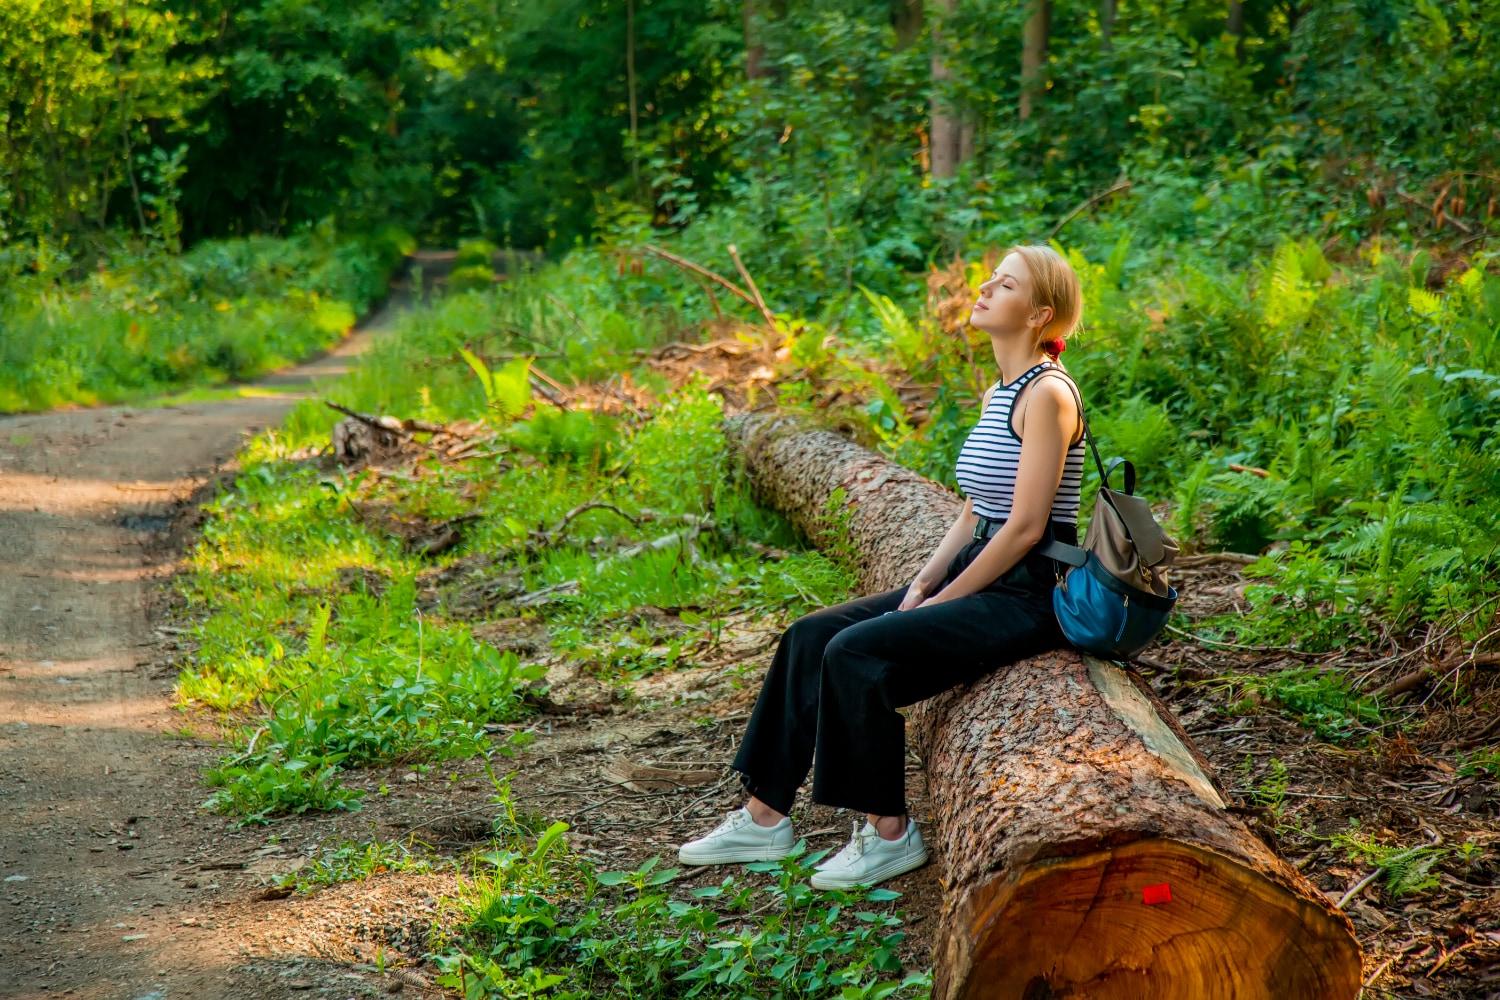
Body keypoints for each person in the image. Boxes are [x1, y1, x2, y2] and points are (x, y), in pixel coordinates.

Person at [677, 243, 1087, 890]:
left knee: (855, 655)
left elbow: (1027, 528)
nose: (982, 288)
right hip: (986, 564)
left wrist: (946, 599)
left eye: (1003, 285)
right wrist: (924, 581)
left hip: (1031, 589)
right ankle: (765, 817)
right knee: (810, 636)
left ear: (1039, 315)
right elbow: (976, 509)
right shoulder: (999, 392)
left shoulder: (1050, 397)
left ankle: (889, 832)